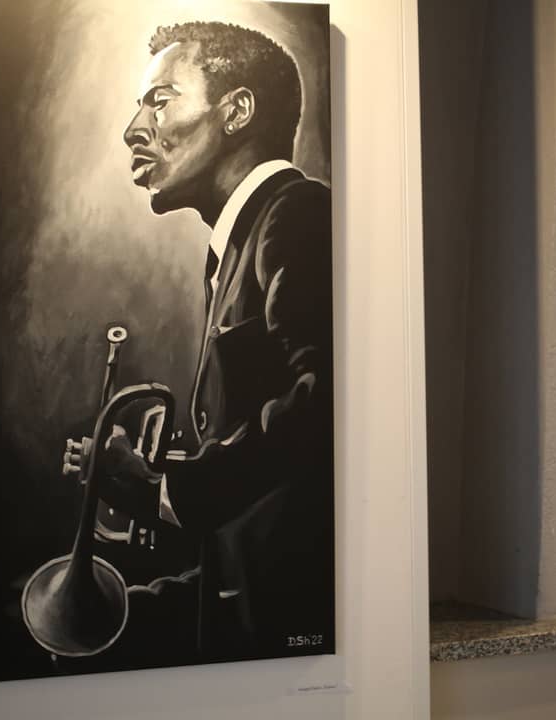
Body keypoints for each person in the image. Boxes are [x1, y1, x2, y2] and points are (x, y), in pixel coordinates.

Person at [102, 21, 335, 661]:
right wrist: (129, 610)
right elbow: (261, 536)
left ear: (236, 112)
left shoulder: (295, 214)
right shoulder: (239, 246)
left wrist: (162, 490)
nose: (133, 130)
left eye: (159, 100)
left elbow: (324, 404)